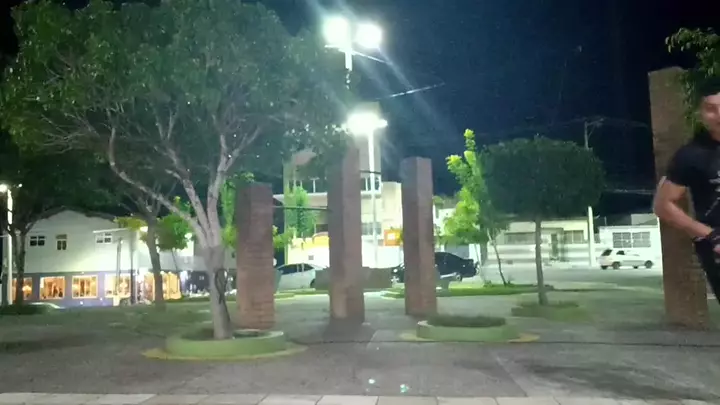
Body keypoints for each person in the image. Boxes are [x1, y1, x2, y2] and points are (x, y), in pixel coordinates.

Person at [654, 77, 720, 302]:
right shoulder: (691, 155)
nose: (719, 115)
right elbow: (663, 205)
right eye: (711, 109)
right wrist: (710, 235)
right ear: (700, 113)